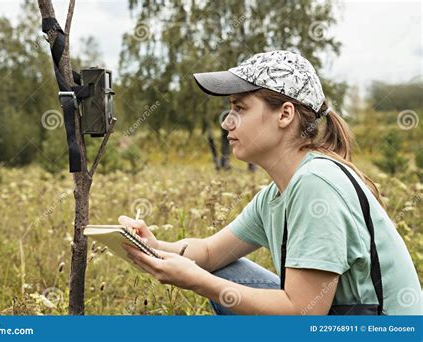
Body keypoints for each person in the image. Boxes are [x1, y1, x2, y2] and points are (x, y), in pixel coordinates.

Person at [121, 50, 422, 315]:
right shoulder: (277, 194)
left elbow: (303, 313)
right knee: (220, 270)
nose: (227, 122)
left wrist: (199, 282)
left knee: (213, 279)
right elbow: (211, 253)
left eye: (239, 108)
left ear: (285, 114)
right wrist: (153, 246)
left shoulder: (315, 183)